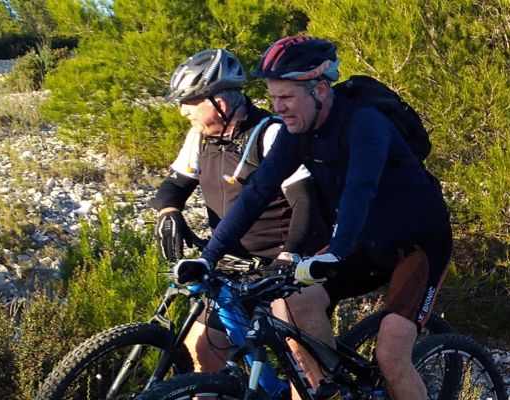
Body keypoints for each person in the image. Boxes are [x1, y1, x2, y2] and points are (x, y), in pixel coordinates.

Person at [172, 35, 452, 400]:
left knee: (391, 355)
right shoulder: (297, 132)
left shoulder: (365, 123)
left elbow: (360, 189)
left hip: (417, 245)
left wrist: (334, 252)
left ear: (320, 89)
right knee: (290, 302)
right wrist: (208, 256)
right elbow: (256, 193)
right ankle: (327, 388)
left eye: (286, 97)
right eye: (273, 97)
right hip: (363, 240)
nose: (278, 107)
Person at [150, 48, 321, 373]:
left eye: (190, 102)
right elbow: (173, 186)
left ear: (221, 103)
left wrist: (289, 256)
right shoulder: (199, 138)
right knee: (201, 348)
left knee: (302, 362)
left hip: (280, 265)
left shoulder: (270, 135)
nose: (182, 111)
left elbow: (304, 201)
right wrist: (168, 212)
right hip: (232, 263)